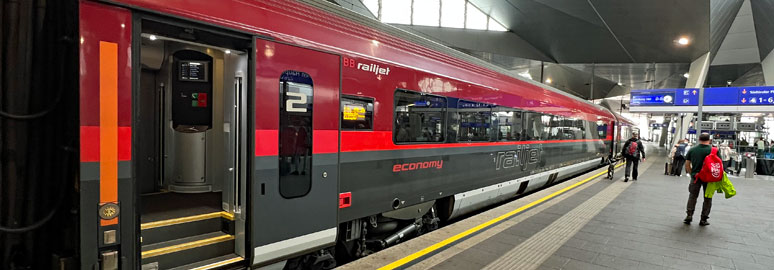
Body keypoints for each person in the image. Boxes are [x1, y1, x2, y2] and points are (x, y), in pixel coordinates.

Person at [684, 133, 715, 226]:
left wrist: (692, 174)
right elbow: (718, 165)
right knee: (708, 198)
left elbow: (687, 165)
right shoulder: (714, 150)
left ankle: (689, 215)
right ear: (709, 140)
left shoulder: (692, 150)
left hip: (696, 177)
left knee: (692, 196)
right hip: (709, 179)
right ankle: (704, 219)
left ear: (699, 139)